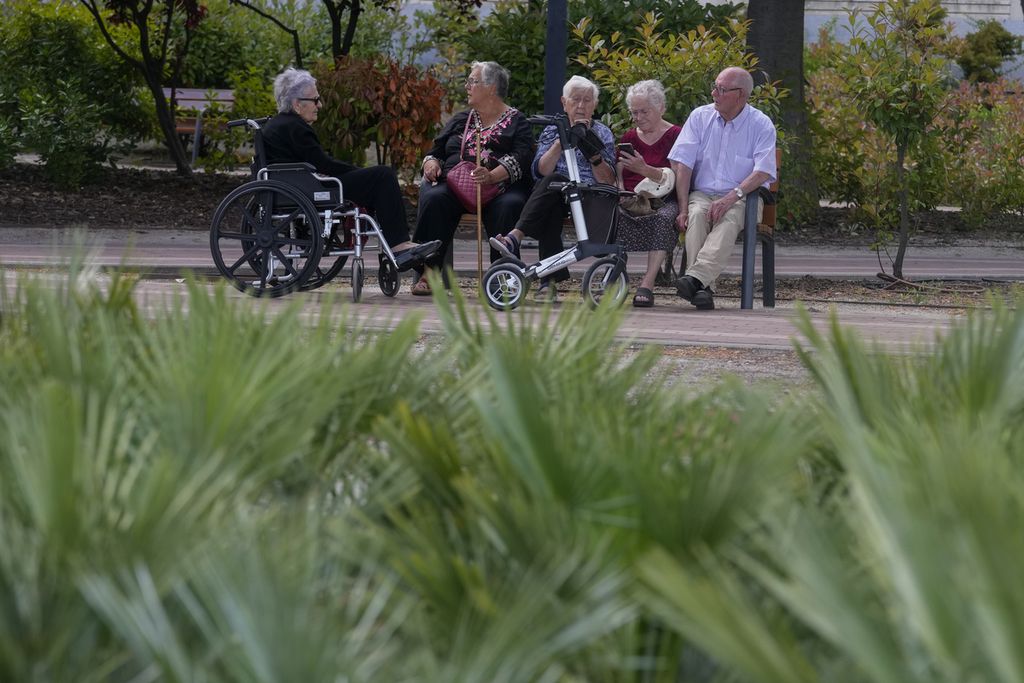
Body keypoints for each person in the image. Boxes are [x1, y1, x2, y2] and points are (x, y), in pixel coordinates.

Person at [259, 67, 440, 272]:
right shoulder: (295, 127)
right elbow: (324, 164)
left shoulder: (282, 125)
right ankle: (398, 246)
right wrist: (356, 171)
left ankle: (397, 245)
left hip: (298, 187)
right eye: (315, 100)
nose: (320, 105)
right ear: (297, 104)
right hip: (309, 190)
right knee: (383, 176)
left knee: (376, 179)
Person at [411, 61, 535, 296]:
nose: (467, 85)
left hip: (501, 188)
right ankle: (430, 270)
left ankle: (502, 274)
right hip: (457, 185)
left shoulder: (518, 121)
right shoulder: (462, 119)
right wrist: (431, 163)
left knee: (510, 205)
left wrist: (492, 175)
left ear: (491, 87)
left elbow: (523, 157)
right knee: (435, 197)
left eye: (472, 81)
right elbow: (435, 150)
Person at [490, 75, 616, 302]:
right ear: (564, 102)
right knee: (554, 186)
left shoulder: (603, 133)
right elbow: (540, 170)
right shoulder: (552, 129)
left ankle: (520, 244)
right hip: (556, 193)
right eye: (575, 99)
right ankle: (545, 278)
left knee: (554, 190)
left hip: (590, 195)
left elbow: (608, 180)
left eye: (587, 100)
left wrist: (590, 148)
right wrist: (562, 140)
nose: (581, 105)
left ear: (595, 105)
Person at [667, 66, 776, 311]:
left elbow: (763, 171)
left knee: (729, 218)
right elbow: (682, 165)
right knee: (696, 216)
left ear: (741, 95)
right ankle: (702, 288)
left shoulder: (761, 124)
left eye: (721, 89)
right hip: (702, 194)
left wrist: (730, 198)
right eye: (715, 86)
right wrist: (683, 208)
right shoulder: (699, 117)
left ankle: (695, 279)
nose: (714, 93)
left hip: (744, 197)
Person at [614, 80, 682, 307]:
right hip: (631, 197)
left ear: (661, 107)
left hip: (663, 199)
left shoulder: (675, 135)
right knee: (612, 213)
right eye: (634, 112)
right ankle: (615, 276)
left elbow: (677, 176)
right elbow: (619, 171)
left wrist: (645, 170)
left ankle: (647, 283)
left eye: (644, 111)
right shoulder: (629, 138)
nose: (638, 117)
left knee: (665, 219)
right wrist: (620, 188)